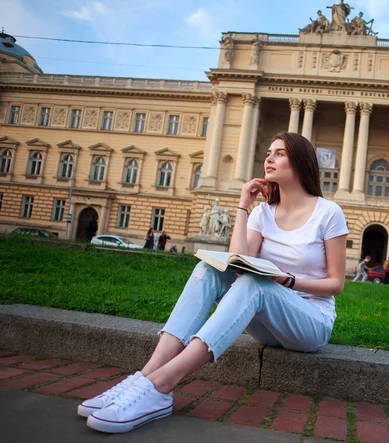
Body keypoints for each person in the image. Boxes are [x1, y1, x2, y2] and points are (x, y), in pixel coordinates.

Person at [80, 132, 349, 434]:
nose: (269, 158)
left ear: (300, 162)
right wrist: (243, 207)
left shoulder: (328, 213)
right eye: (268, 152)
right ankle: (145, 376)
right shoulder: (263, 213)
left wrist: (287, 280)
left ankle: (161, 384)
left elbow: (336, 283)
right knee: (210, 270)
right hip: (267, 324)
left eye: (279, 153)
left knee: (256, 285)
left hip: (310, 322)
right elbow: (237, 261)